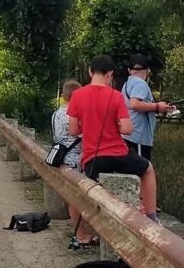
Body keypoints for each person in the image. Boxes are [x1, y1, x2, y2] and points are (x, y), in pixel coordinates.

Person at [67, 55, 159, 222]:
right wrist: (114, 124)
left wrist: (88, 124)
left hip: (92, 158)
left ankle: (82, 235)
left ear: (90, 72)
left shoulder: (77, 95)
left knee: (81, 190)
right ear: (109, 74)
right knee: (147, 170)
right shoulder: (115, 96)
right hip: (118, 154)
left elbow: (73, 130)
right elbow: (128, 129)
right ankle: (151, 218)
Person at [52, 80, 95, 248]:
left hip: (62, 159)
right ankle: (81, 234)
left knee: (72, 197)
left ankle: (81, 232)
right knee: (77, 199)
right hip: (75, 159)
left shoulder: (57, 113)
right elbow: (82, 136)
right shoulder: (75, 114)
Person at [121, 53, 173, 161]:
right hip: (138, 138)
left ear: (129, 70)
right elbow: (134, 104)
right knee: (141, 173)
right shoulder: (141, 83)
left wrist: (159, 107)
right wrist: (157, 106)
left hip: (127, 137)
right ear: (148, 70)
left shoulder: (127, 84)